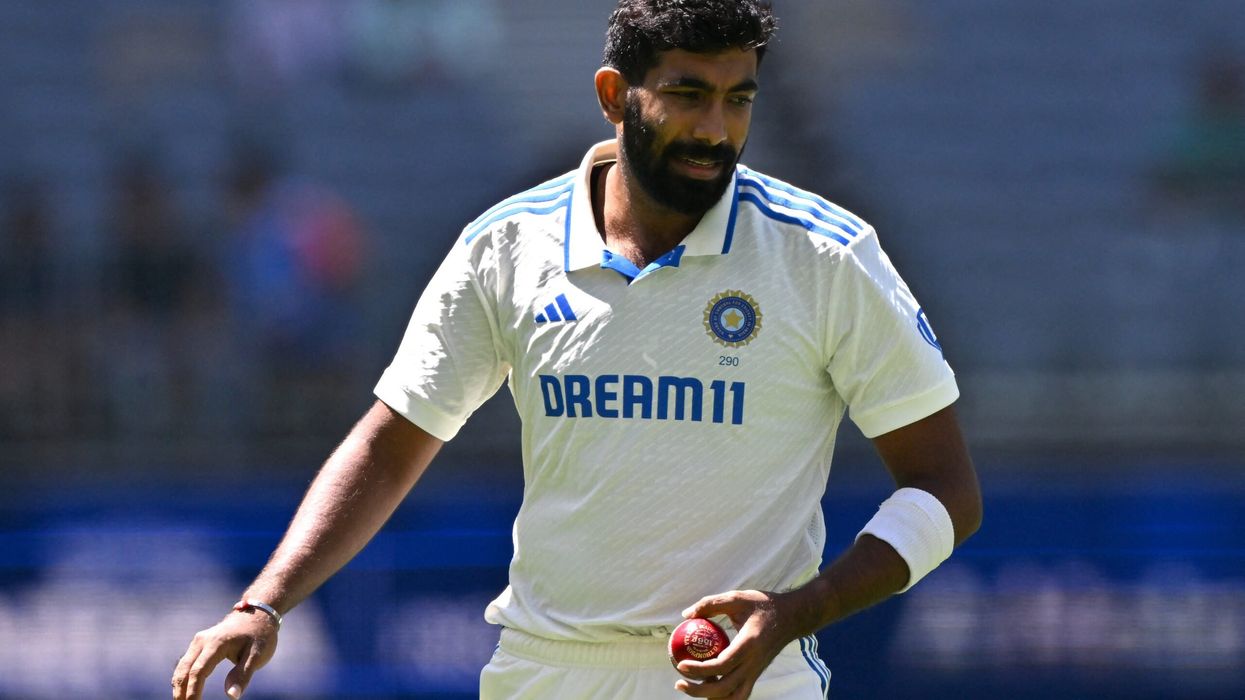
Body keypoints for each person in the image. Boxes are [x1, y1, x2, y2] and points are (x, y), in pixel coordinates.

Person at [172, 2, 982, 699]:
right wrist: (264, 602)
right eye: (685, 95)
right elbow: (391, 444)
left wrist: (794, 613)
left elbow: (945, 488)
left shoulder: (826, 257)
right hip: (546, 671)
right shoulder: (507, 245)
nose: (714, 128)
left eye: (738, 99)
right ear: (612, 95)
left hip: (748, 676)